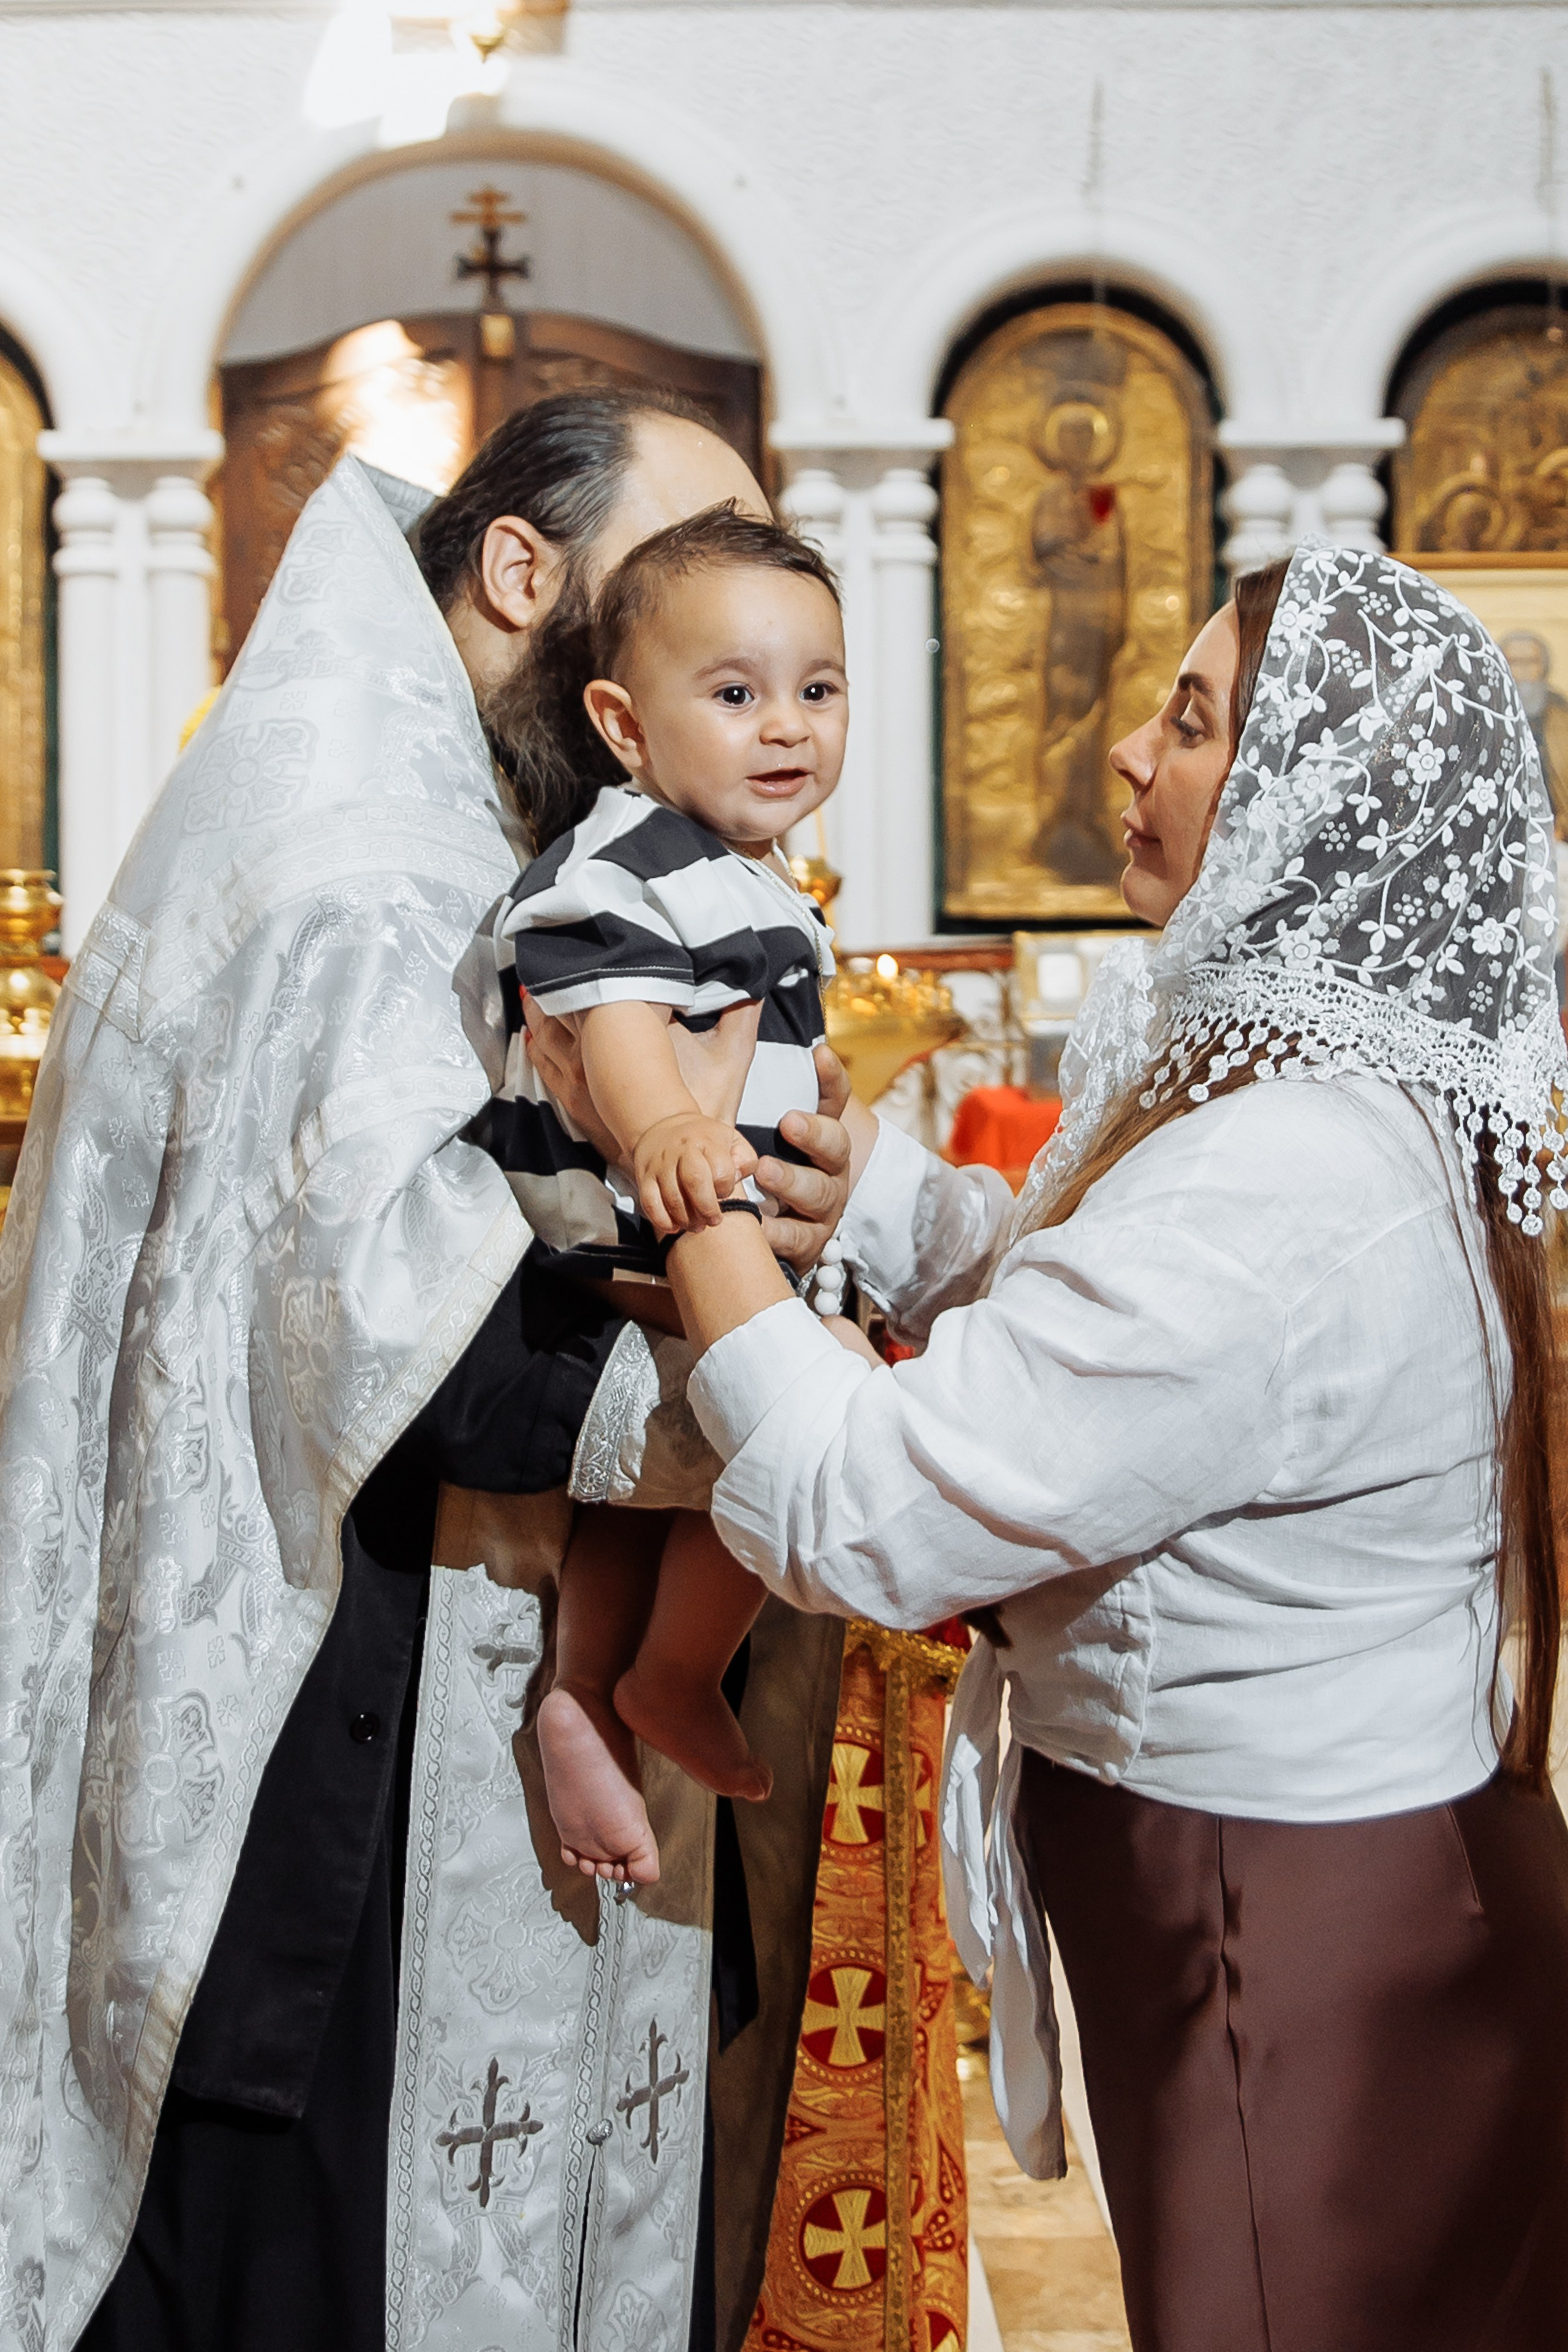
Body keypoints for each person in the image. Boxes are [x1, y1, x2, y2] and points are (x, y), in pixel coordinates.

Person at [530, 540, 1568, 2350]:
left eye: (1192, 722)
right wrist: (883, 1198)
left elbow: (868, 1512)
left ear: (1313, 810)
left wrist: (678, 1170)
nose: (1126, 754)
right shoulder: (1327, 1105)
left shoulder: (1288, 1173)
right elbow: (1115, 1318)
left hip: (1294, 1932)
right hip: (1337, 1877)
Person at [0, 389, 852, 2352]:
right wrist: (782, 1389)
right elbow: (420, 1341)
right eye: (674, 580)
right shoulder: (356, 860)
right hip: (341, 1752)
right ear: (524, 574)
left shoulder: (493, 813)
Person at [488, 506, 848, 1885]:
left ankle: (592, 1692)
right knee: (789, 1411)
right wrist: (665, 1134)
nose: (786, 728)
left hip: (705, 1224)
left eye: (817, 692)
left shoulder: (738, 872)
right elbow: (613, 1024)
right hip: (648, 1218)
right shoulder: (624, 862)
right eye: (738, 693)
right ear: (624, 729)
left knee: (650, 1501)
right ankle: (674, 1671)